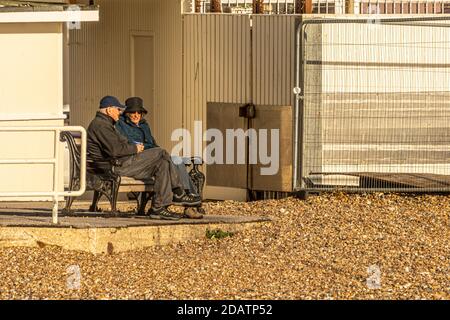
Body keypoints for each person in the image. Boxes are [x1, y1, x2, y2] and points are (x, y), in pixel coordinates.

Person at [86, 95, 200, 220]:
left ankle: (158, 208)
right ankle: (178, 192)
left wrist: (132, 147)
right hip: (115, 166)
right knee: (162, 153)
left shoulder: (106, 124)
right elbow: (115, 150)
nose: (120, 112)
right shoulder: (101, 126)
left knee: (163, 163)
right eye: (118, 109)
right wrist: (135, 148)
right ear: (109, 110)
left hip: (122, 162)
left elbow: (122, 143)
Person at [116, 97, 200, 198]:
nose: (136, 115)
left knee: (176, 160)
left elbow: (152, 142)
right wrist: (148, 147)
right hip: (138, 159)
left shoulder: (144, 125)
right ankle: (183, 193)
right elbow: (128, 143)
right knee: (165, 156)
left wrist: (153, 148)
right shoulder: (121, 124)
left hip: (153, 155)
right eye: (133, 112)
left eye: (139, 112)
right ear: (127, 113)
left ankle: (188, 193)